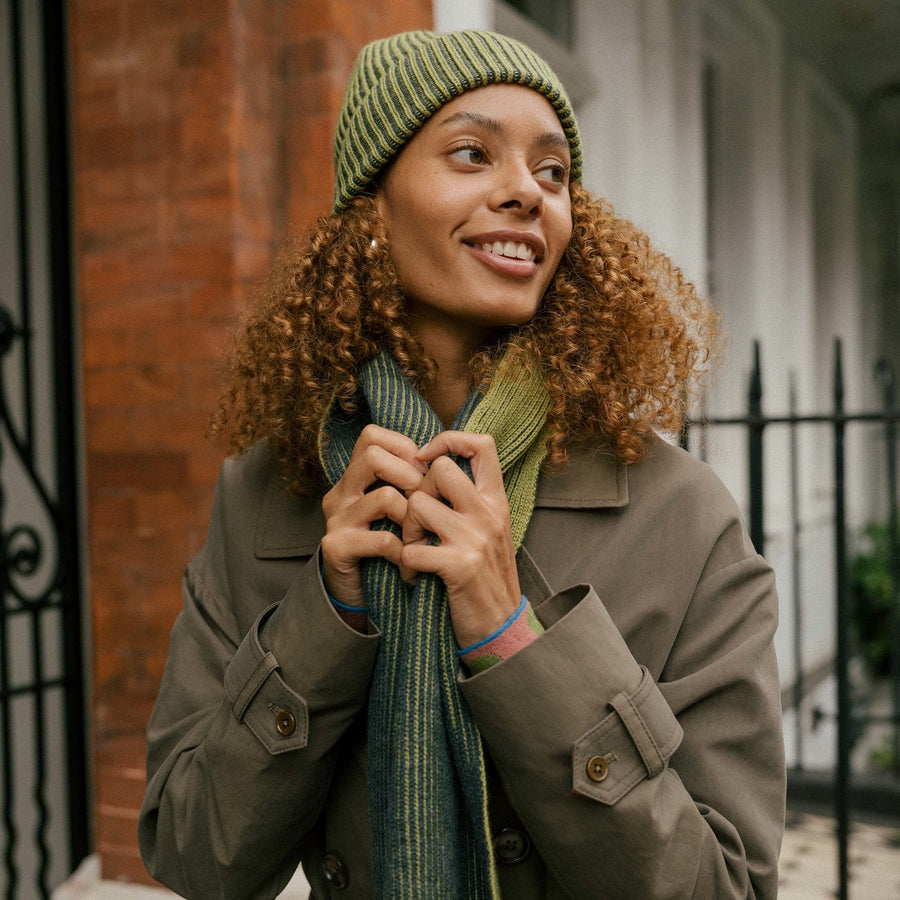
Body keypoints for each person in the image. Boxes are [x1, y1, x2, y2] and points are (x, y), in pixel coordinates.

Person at [138, 29, 785, 900]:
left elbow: (727, 889)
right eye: (473, 154)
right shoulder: (267, 493)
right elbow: (191, 856)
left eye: (553, 173)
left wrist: (510, 636)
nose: (527, 192)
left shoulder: (683, 515)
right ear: (373, 211)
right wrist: (324, 617)